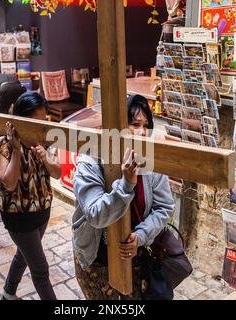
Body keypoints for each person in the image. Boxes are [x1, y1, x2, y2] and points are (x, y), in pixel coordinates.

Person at [72, 94, 174, 299]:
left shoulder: (149, 159)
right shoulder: (91, 159)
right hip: (96, 260)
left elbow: (164, 207)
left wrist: (142, 236)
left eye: (146, 125)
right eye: (135, 124)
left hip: (136, 258)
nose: (143, 132)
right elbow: (95, 215)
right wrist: (126, 184)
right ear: (116, 128)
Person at [0, 92, 61, 300]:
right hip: (18, 216)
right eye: (35, 121)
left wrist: (46, 158)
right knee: (40, 269)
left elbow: (58, 173)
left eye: (43, 121)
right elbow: (9, 182)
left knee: (24, 255)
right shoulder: (4, 145)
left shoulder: (45, 141)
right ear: (21, 119)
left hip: (42, 211)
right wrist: (16, 149)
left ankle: (8, 291)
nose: (39, 126)